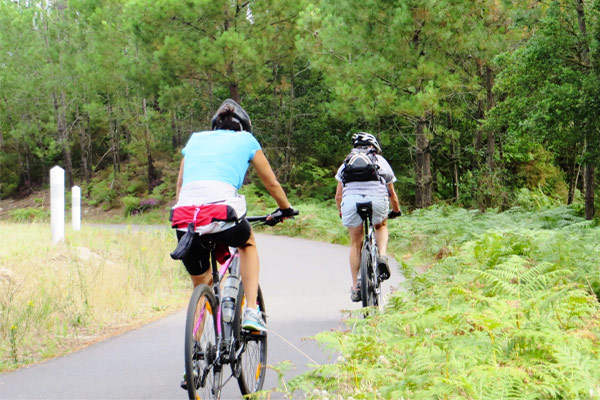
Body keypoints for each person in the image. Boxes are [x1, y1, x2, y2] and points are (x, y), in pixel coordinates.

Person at [172, 98, 297, 332]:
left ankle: (196, 357)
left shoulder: (196, 139)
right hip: (221, 211)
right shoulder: (246, 140)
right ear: (243, 127)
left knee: (201, 286)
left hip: (186, 217)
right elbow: (272, 184)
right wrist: (285, 208)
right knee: (247, 243)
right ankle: (251, 310)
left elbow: (180, 186)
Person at [335, 132, 401, 302]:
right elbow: (391, 193)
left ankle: (356, 287)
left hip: (351, 202)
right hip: (377, 200)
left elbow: (338, 196)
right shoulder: (380, 161)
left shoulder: (346, 163)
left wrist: (341, 211)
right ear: (374, 146)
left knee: (356, 244)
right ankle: (382, 256)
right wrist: (396, 210)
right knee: (381, 225)